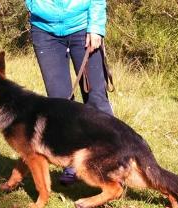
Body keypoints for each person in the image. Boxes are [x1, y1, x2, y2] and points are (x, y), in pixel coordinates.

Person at [26, 0, 113, 185]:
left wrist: (96, 26)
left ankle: (112, 159)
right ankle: (73, 163)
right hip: (44, 30)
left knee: (96, 99)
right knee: (60, 104)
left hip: (82, 26)